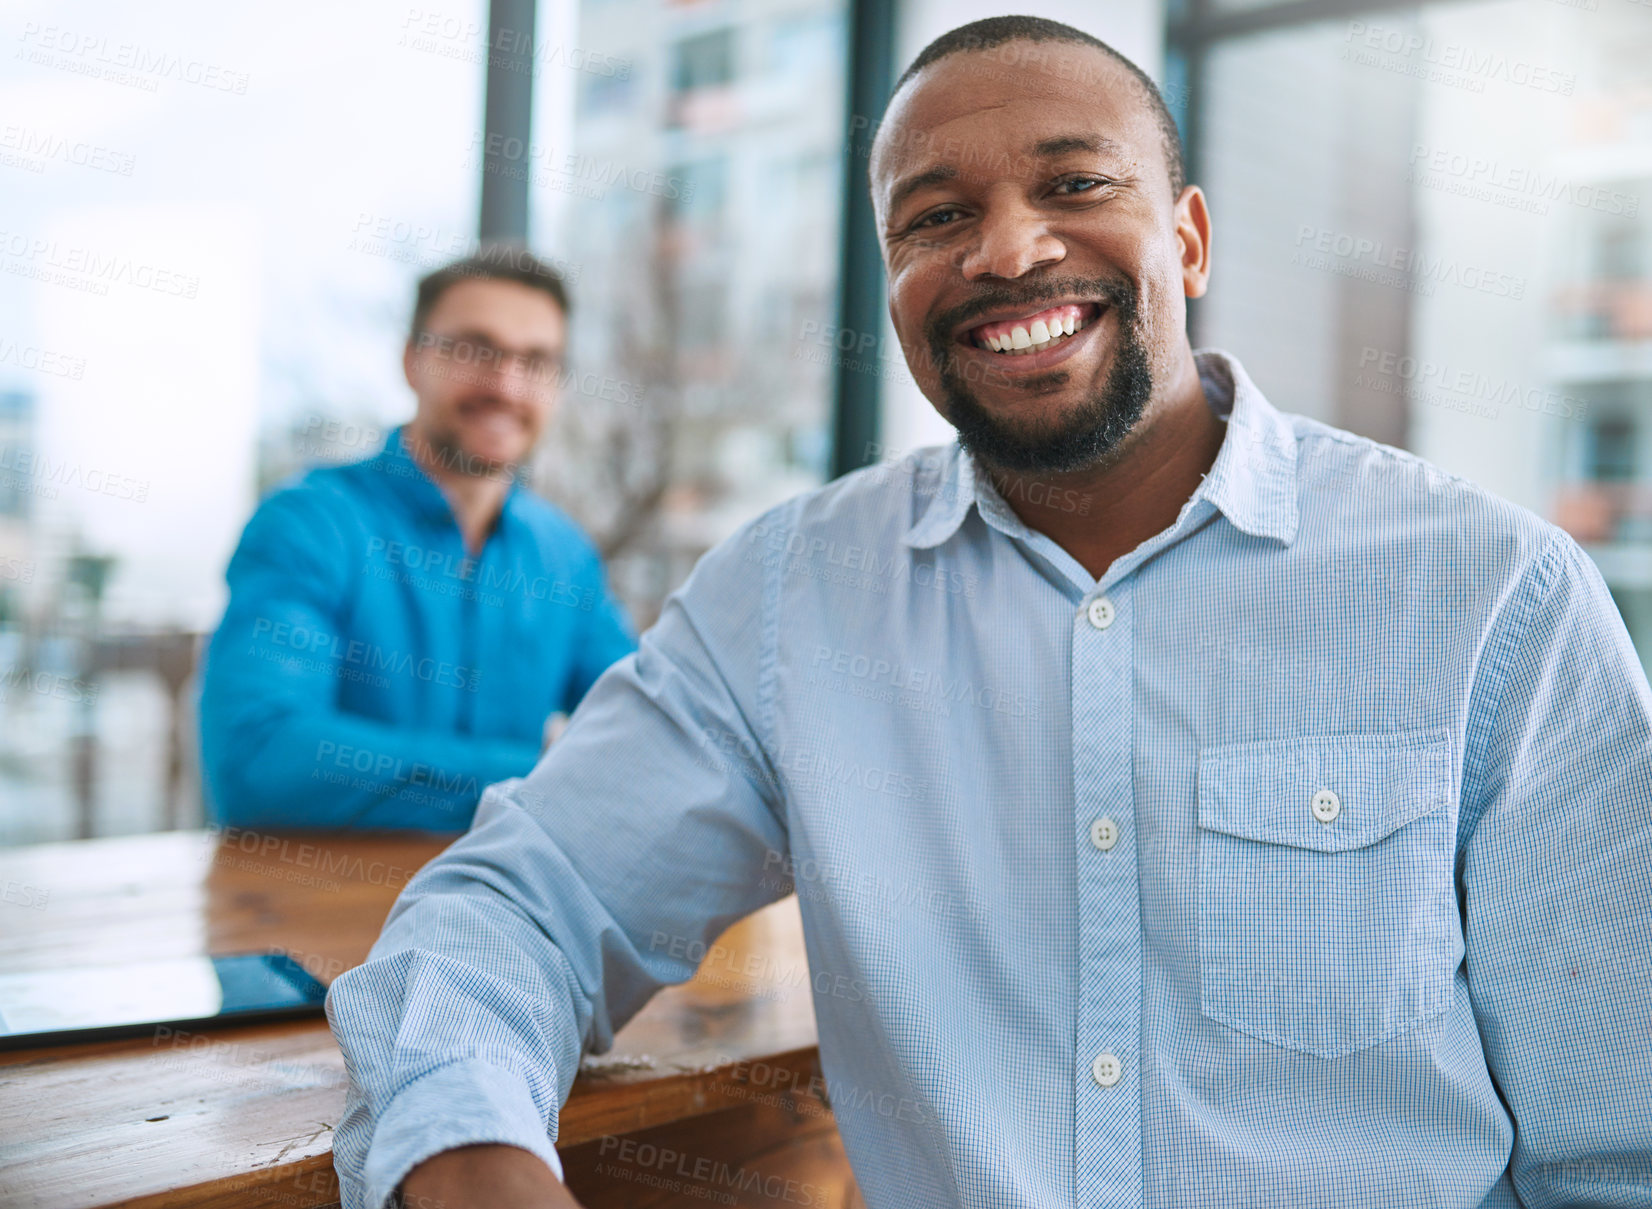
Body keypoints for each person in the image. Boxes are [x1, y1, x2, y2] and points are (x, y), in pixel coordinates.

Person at [327, 17, 1652, 1208]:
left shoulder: (1491, 598)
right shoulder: (792, 601)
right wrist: (467, 1158)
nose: (1008, 250)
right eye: (932, 218)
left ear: (1186, 238)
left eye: (1076, 184)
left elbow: (1617, 1148)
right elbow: (525, 901)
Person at [199, 248, 636, 831]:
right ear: (412, 361)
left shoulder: (565, 556)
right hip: (318, 912)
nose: (505, 384)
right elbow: (258, 760)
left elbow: (642, 736)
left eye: (536, 361)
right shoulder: (308, 526)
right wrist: (540, 773)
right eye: (475, 350)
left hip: (514, 914)